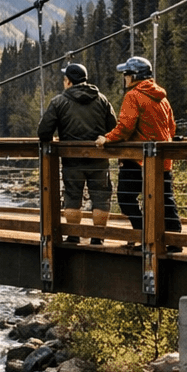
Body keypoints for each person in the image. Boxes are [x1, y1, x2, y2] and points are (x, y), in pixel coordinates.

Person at [94, 55, 183, 251]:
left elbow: (125, 126)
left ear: (135, 76)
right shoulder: (163, 98)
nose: (124, 78)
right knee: (165, 199)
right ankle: (175, 241)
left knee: (126, 198)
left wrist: (107, 138)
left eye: (126, 74)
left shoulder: (133, 96)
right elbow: (172, 128)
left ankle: (143, 234)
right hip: (163, 158)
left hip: (138, 159)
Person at [37, 62, 116, 245]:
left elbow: (43, 132)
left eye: (65, 79)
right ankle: (98, 237)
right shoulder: (102, 100)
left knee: (73, 196)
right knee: (101, 196)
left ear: (69, 82)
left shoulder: (59, 102)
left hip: (72, 160)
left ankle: (73, 235)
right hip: (99, 159)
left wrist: (53, 139)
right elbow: (114, 129)